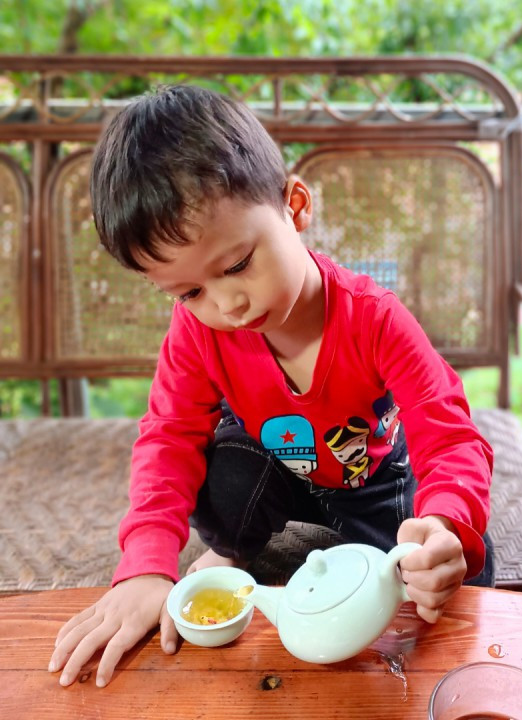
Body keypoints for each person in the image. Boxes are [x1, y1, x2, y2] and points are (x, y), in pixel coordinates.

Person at [48, 85, 494, 688]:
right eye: (189, 292)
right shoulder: (197, 331)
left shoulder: (375, 319)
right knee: (223, 477)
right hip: (276, 471)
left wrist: (442, 526)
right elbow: (168, 437)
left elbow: (451, 436)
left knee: (463, 567)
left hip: (370, 482)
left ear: (295, 205)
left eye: (237, 265)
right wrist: (146, 566)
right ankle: (235, 548)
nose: (227, 304)